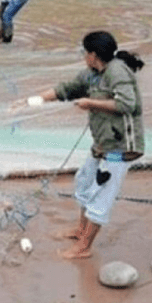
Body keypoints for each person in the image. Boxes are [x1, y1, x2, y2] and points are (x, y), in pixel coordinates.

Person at [16, 31, 144, 259]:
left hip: (120, 147)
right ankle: (81, 230)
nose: (83, 56)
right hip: (102, 143)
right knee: (84, 182)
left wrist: (90, 103)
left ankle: (84, 247)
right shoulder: (92, 74)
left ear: (93, 55)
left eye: (85, 52)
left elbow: (127, 104)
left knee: (101, 195)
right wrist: (30, 101)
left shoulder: (117, 72)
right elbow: (66, 89)